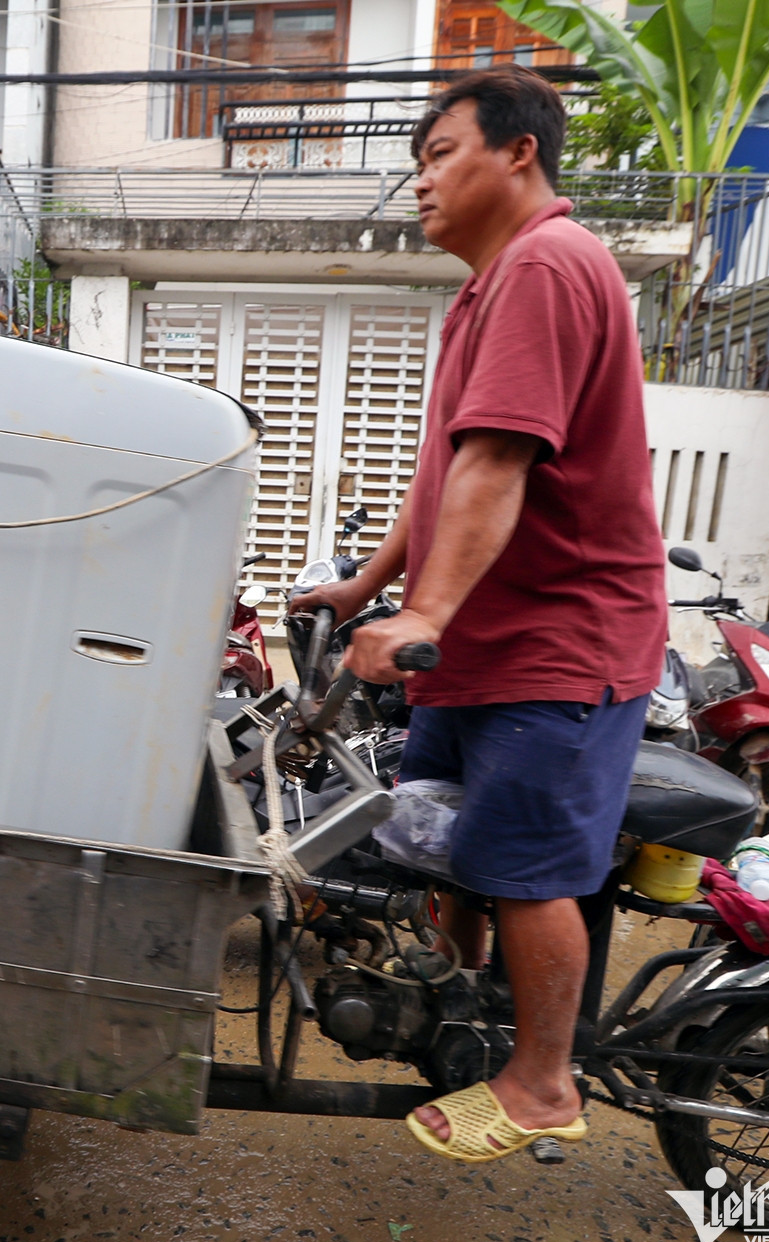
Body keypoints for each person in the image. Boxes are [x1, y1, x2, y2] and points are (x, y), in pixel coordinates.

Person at [292, 65, 665, 1164]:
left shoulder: (550, 263)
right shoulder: (489, 286)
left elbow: (500, 462)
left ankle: (545, 1082)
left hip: (560, 639)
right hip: (485, 642)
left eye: (439, 153)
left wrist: (423, 614)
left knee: (523, 864)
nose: (420, 182)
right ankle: (454, 1007)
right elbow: (447, 476)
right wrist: (368, 588)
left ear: (519, 153)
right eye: (416, 164)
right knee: (438, 833)